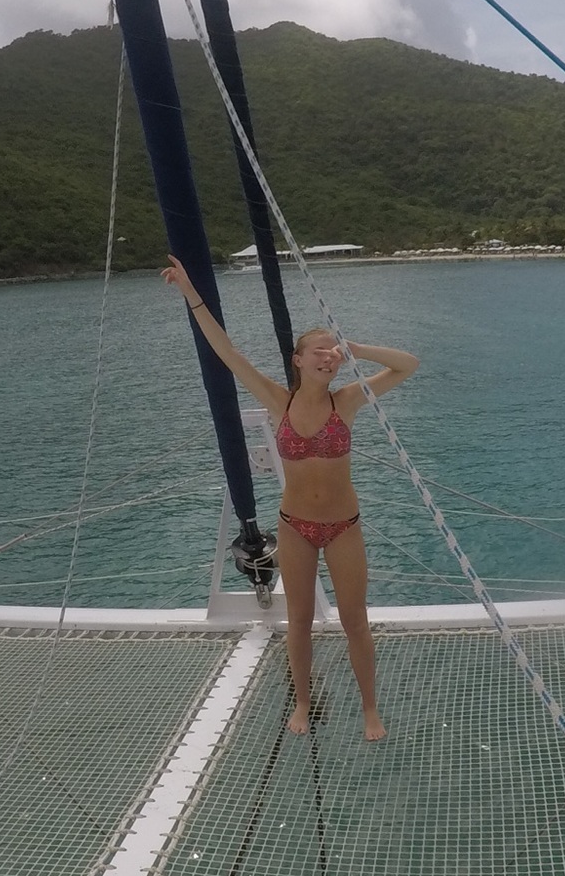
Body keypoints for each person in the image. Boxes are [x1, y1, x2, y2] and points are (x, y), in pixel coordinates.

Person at [161, 254, 419, 740]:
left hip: (344, 527)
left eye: (333, 352)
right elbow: (226, 352)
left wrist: (357, 348)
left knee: (355, 621)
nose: (328, 357)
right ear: (298, 360)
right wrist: (191, 292)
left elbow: (408, 365)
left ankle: (370, 707)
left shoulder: (348, 400)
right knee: (298, 620)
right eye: (318, 350)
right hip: (295, 526)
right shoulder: (278, 401)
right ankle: (302, 701)